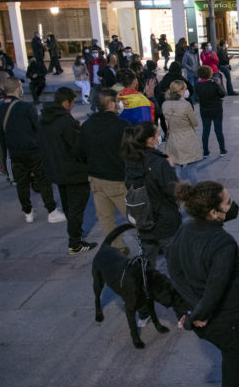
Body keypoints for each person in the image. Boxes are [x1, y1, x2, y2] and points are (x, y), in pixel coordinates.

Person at [167, 181, 239, 387]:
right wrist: (196, 316)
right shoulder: (223, 243)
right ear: (214, 212)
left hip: (209, 322)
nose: (233, 205)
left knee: (238, 357)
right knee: (233, 371)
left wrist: (196, 308)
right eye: (228, 203)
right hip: (232, 321)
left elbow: (175, 272)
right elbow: (215, 290)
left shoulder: (185, 229)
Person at [39, 87, 96, 254]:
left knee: (68, 205)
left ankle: (75, 234)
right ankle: (75, 242)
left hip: (55, 168)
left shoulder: (44, 118)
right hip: (73, 170)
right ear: (65, 103)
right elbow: (77, 146)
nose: (72, 107)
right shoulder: (64, 120)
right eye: (71, 104)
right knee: (76, 207)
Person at [0, 78, 64, 224]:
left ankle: (28, 212)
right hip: (33, 150)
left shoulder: (0, 108)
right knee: (43, 179)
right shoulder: (26, 107)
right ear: (18, 88)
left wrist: (2, 160)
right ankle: (51, 211)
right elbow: (38, 128)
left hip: (14, 152)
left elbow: (0, 137)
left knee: (21, 183)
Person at [74, 88, 130, 255]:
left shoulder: (88, 125)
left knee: (106, 218)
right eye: (117, 100)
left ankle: (117, 248)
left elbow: (78, 152)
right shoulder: (121, 125)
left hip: (96, 177)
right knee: (135, 215)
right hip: (117, 178)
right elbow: (131, 152)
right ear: (112, 104)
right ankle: (150, 244)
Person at [122, 121, 181, 275]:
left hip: (144, 218)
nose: (159, 135)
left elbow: (129, 184)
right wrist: (171, 168)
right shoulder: (160, 162)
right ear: (150, 140)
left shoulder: (131, 160)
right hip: (165, 220)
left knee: (147, 262)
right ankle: (180, 293)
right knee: (175, 263)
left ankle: (146, 290)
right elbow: (174, 191)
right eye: (157, 133)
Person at [162, 80, 202, 167]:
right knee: (192, 168)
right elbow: (194, 122)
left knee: (176, 167)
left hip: (173, 138)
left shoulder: (165, 104)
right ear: (180, 90)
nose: (186, 91)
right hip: (187, 138)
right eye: (185, 89)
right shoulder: (186, 105)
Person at [195, 65, 227, 158]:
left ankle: (205, 151)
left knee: (206, 130)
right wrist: (219, 84)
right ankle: (222, 150)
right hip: (216, 109)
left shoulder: (198, 85)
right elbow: (222, 94)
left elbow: (197, 96)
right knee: (218, 130)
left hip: (204, 110)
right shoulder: (213, 84)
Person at [87, 47, 108, 114]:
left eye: (96, 52)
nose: (95, 54)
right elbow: (90, 73)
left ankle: (105, 110)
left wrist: (103, 78)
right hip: (95, 82)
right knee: (94, 97)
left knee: (104, 97)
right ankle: (93, 110)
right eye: (93, 53)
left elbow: (106, 70)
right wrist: (91, 81)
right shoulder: (90, 62)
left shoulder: (103, 61)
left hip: (102, 82)